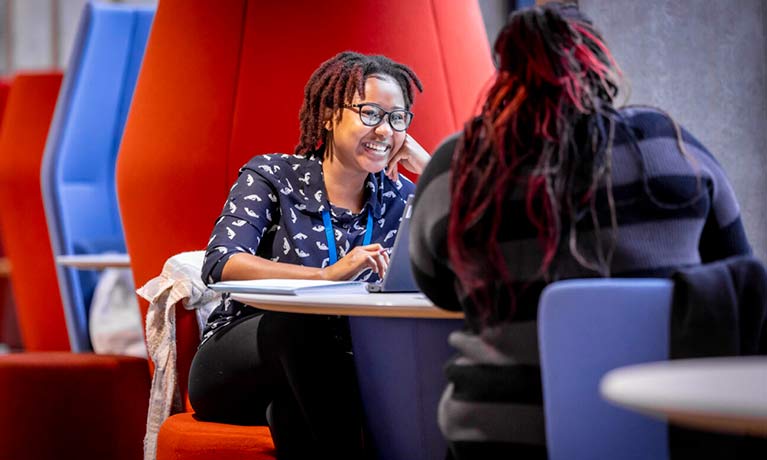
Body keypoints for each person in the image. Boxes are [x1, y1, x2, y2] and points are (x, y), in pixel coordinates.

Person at [410, 3, 751, 459]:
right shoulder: (667, 143)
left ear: (505, 72)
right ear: (599, 63)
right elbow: (737, 268)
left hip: (495, 431)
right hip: (656, 423)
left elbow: (438, 288)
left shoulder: (458, 161)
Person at [189, 51, 430, 459]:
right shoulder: (273, 176)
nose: (385, 130)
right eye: (371, 113)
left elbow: (475, 251)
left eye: (397, 118)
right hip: (246, 360)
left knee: (293, 415)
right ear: (330, 115)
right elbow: (221, 261)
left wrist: (428, 167)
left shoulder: (403, 197)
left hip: (343, 370)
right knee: (301, 323)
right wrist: (326, 276)